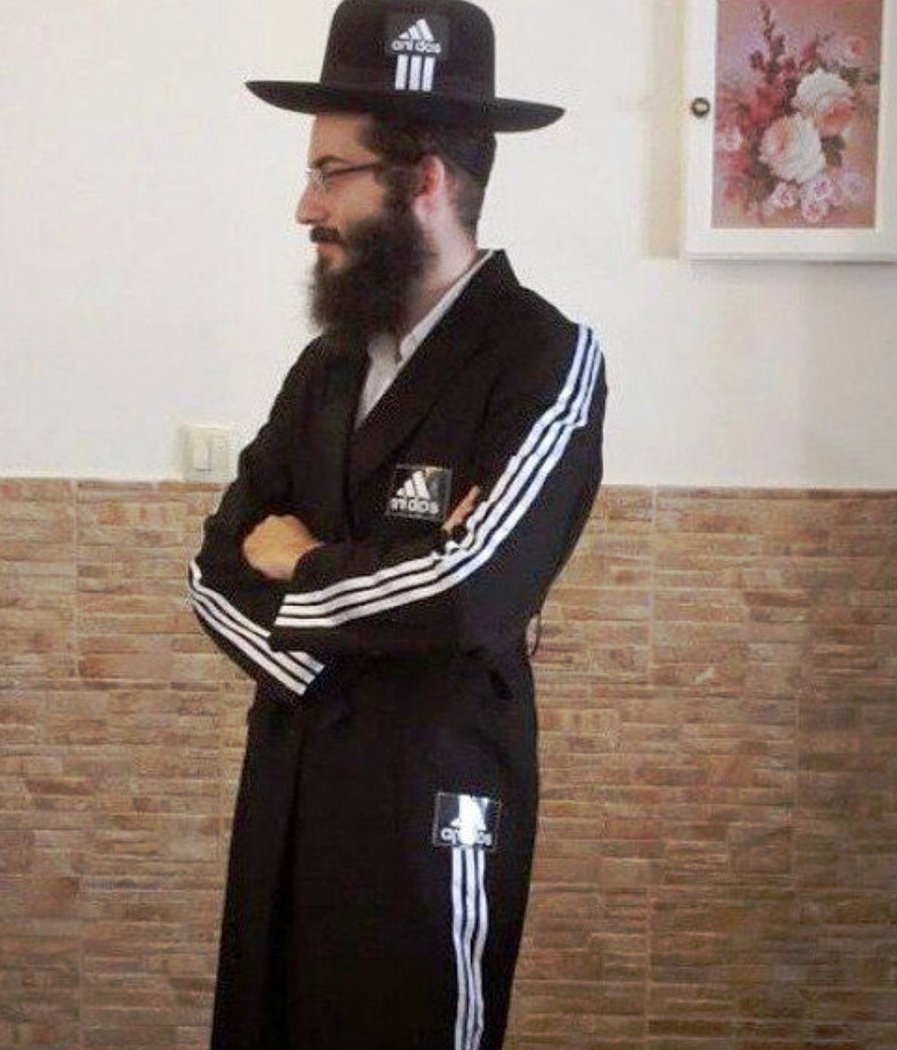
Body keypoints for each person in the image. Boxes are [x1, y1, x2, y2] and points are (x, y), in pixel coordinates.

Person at [188, 1, 607, 1047]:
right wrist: (374, 624)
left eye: (332, 172)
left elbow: (473, 590)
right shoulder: (327, 366)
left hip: (436, 798)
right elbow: (213, 569)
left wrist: (305, 563)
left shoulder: (545, 358)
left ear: (424, 181)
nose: (305, 205)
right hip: (290, 783)